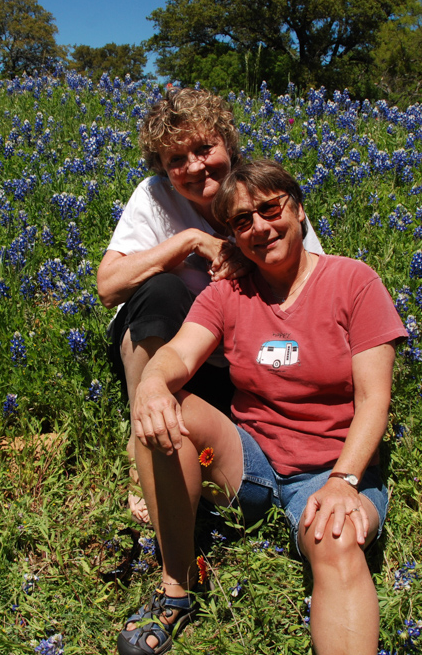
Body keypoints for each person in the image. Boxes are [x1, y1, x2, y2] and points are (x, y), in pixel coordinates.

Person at [117, 159, 407, 655]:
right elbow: (178, 355)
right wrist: (150, 384)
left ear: (296, 208)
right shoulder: (228, 292)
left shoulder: (355, 283)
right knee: (170, 410)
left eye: (269, 209)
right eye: (242, 222)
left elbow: (374, 400)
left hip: (333, 470)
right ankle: (177, 587)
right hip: (249, 466)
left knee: (336, 540)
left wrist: (344, 481)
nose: (260, 228)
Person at [97, 88, 323, 522]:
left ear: (229, 145)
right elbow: (108, 287)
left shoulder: (263, 193)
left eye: (205, 149)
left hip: (236, 358)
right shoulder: (155, 197)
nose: (195, 166)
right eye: (176, 160)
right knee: (162, 289)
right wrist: (188, 242)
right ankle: (141, 441)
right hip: (161, 345)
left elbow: (313, 285)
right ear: (163, 170)